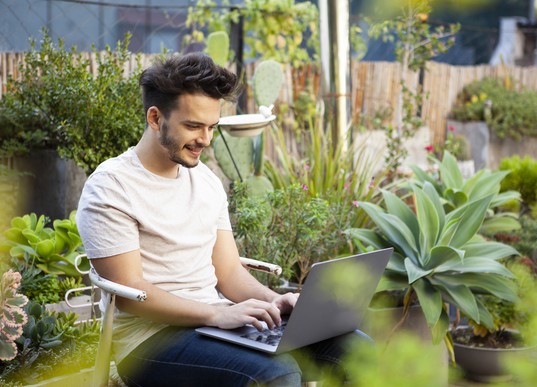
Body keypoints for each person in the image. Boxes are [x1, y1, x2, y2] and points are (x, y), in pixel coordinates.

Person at [76, 52, 368, 387]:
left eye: (211, 127)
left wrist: (276, 301)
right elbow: (130, 293)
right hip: (148, 342)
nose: (206, 139)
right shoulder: (111, 187)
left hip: (214, 323)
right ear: (156, 118)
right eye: (193, 126)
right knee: (278, 374)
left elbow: (228, 272)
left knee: (355, 348)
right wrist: (217, 313)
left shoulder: (207, 181)